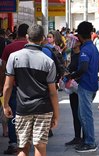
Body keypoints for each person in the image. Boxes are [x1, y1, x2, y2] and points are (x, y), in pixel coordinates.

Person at [3, 24, 59, 156]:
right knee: (40, 146)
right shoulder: (48, 61)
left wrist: (5, 105)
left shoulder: (14, 57)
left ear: (27, 37)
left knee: (22, 147)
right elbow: (53, 92)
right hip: (43, 108)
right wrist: (56, 114)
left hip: (22, 108)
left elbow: (8, 85)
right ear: (42, 39)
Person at [65, 21, 99, 152]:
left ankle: (90, 142)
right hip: (91, 84)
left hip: (86, 85)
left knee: (85, 116)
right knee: (82, 115)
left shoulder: (85, 49)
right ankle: (86, 140)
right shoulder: (93, 47)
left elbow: (83, 67)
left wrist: (71, 76)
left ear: (79, 35)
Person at [0, 23, 29, 155]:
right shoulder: (34, 48)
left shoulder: (9, 48)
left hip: (12, 86)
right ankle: (26, 141)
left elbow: (3, 69)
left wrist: (2, 86)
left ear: (17, 33)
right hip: (29, 88)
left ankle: (13, 143)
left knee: (11, 113)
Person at [64, 38, 83, 146]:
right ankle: (77, 136)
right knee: (75, 112)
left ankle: (85, 137)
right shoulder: (72, 53)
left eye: (73, 41)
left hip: (80, 87)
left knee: (82, 113)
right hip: (72, 88)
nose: (70, 43)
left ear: (79, 42)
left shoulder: (82, 54)